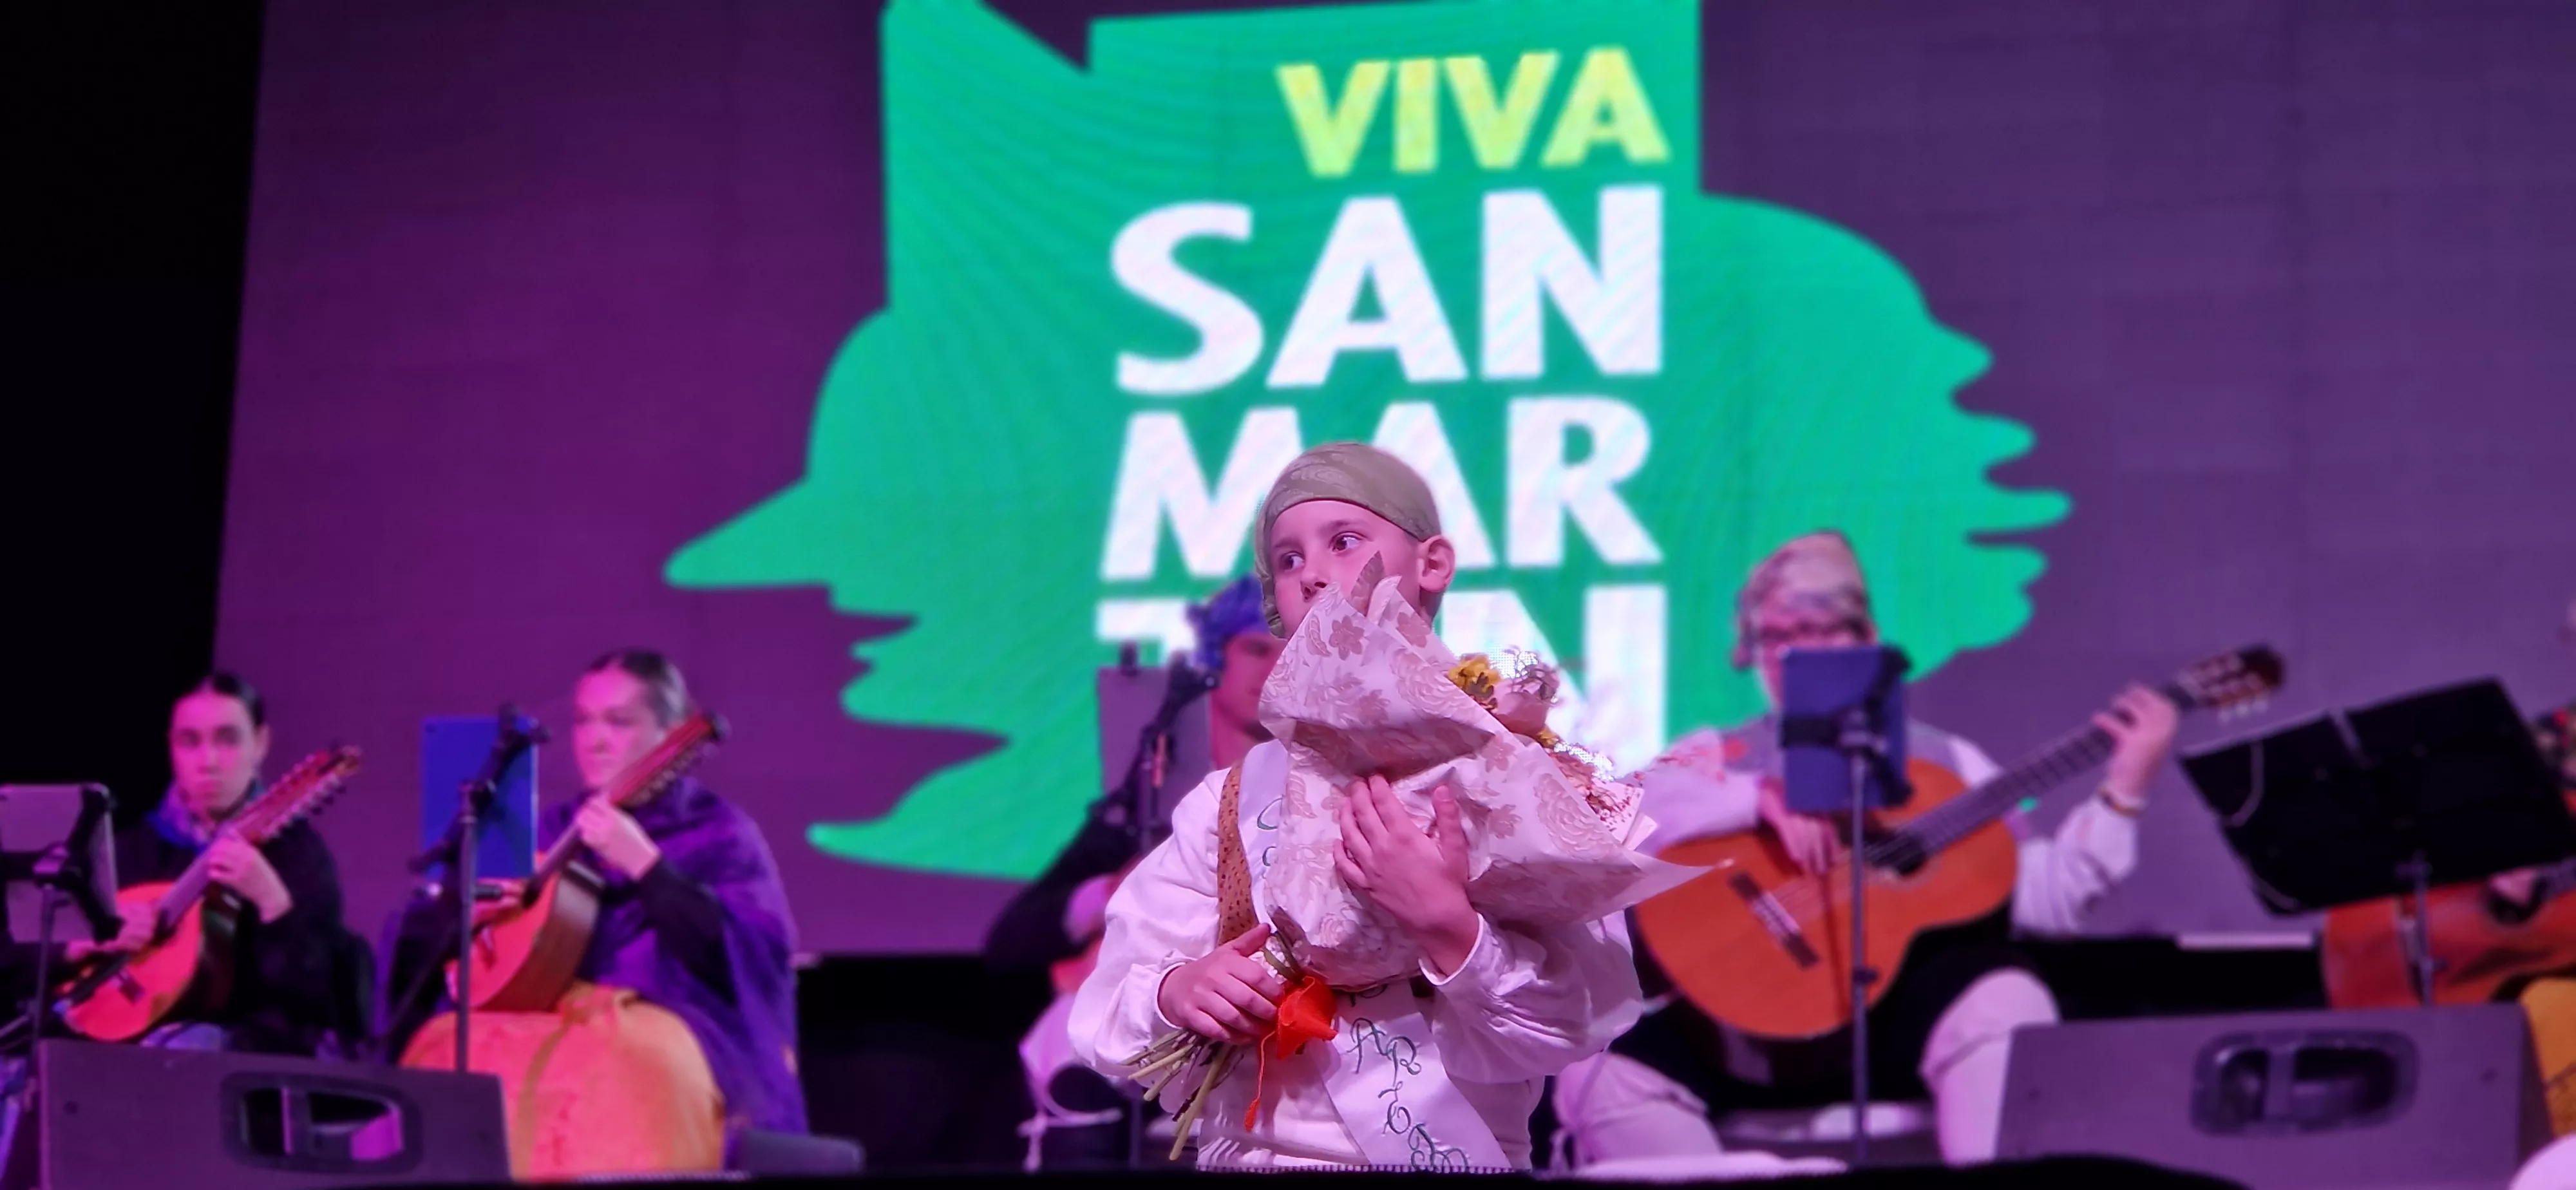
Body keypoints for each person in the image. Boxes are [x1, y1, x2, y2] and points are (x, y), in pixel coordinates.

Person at [1068, 442, 1643, 1170]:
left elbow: (1572, 1024)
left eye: (1344, 542)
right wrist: (1179, 992)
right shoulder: (1231, 800)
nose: (1311, 573)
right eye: (1286, 560)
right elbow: (1111, 1008)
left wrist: (1447, 925)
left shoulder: (1521, 774)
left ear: (1432, 564)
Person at [1552, 531, 2178, 1167]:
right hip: (1745, 1031)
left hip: (1900, 1027)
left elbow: (2045, 901)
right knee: (1599, 1073)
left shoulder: (1948, 763)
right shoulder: (1720, 754)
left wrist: (2124, 789)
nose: (1798, 654)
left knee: (2006, 996)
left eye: (1823, 631)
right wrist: (1752, 800)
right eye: (1777, 637)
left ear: (1867, 639)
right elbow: (1607, 821)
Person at [384, 650, 804, 1178]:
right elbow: (432, 943)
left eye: (619, 722)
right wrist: (471, 915)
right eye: (584, 720)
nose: (595, 739)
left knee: (630, 1060)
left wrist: (647, 866)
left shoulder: (719, 832)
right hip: (542, 1015)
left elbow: (754, 959)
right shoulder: (548, 828)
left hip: (672, 1019)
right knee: (443, 1045)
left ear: (670, 734)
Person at [0, 674, 364, 1172]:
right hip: (106, 1032)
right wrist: (84, 943)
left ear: (261, 744)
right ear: (171, 749)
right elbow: (18, 961)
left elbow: (325, 994)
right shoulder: (128, 850)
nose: (208, 760)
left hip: (241, 1043)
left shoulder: (296, 854)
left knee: (180, 1053)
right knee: (19, 1071)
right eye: (190, 742)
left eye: (227, 739)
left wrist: (272, 900)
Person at [986, 575, 1280, 1169]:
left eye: (1286, 650)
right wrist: (1108, 892)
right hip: (1152, 1020)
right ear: (1213, 659)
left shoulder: (1311, 792)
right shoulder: (1144, 806)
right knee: (1070, 1049)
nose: (1271, 668)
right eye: (1255, 648)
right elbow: (1009, 941)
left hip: (1270, 1018)